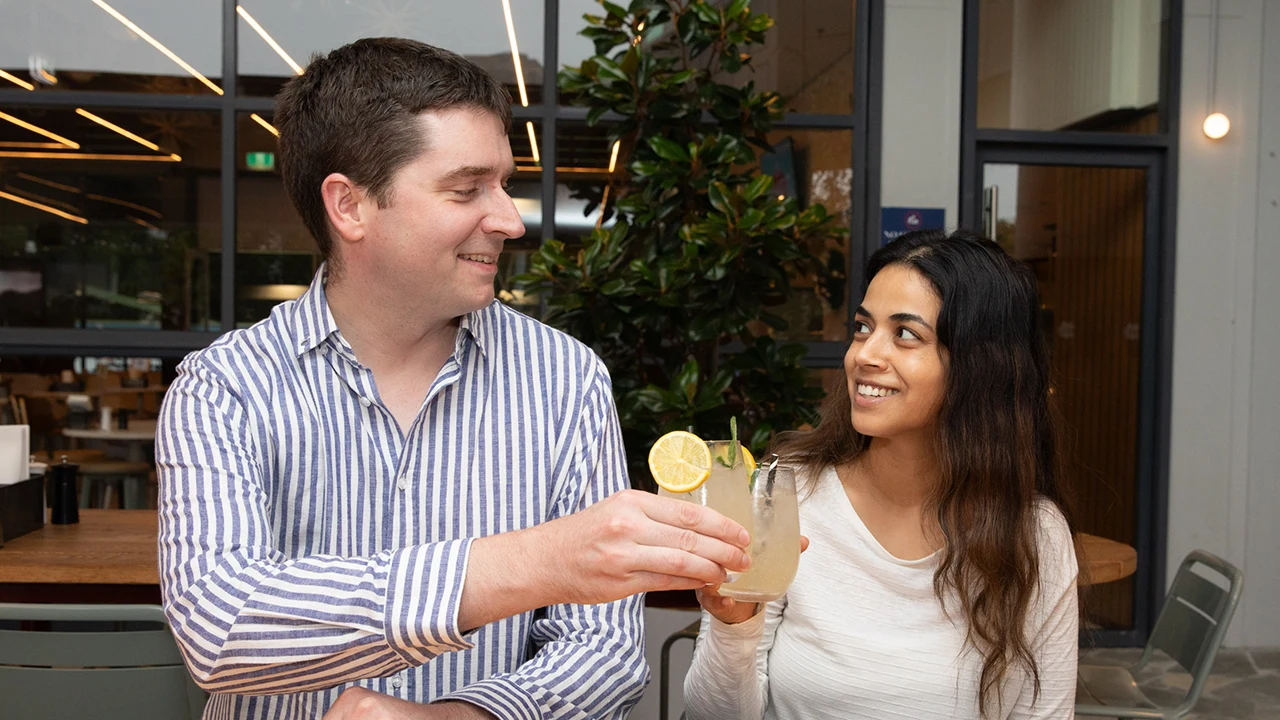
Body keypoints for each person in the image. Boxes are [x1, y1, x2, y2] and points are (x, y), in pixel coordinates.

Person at [155, 38, 751, 720]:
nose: (508, 219)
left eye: (503, 183)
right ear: (349, 206)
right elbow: (221, 626)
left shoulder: (564, 378)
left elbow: (603, 654)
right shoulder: (222, 387)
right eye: (468, 188)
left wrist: (458, 717)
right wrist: (536, 562)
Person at [683, 229, 1080, 719]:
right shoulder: (789, 493)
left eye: (906, 334)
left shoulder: (1035, 535)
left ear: (981, 366)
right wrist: (734, 624)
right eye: (862, 327)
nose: (864, 355)